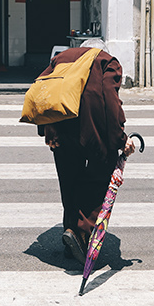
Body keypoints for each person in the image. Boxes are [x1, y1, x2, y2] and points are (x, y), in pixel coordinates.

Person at [38, 47, 136, 264]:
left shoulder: (60, 58)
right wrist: (121, 139)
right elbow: (111, 101)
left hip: (61, 129)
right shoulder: (107, 62)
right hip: (93, 131)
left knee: (69, 182)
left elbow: (43, 90)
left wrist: (46, 129)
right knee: (100, 175)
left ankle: (70, 234)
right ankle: (82, 231)